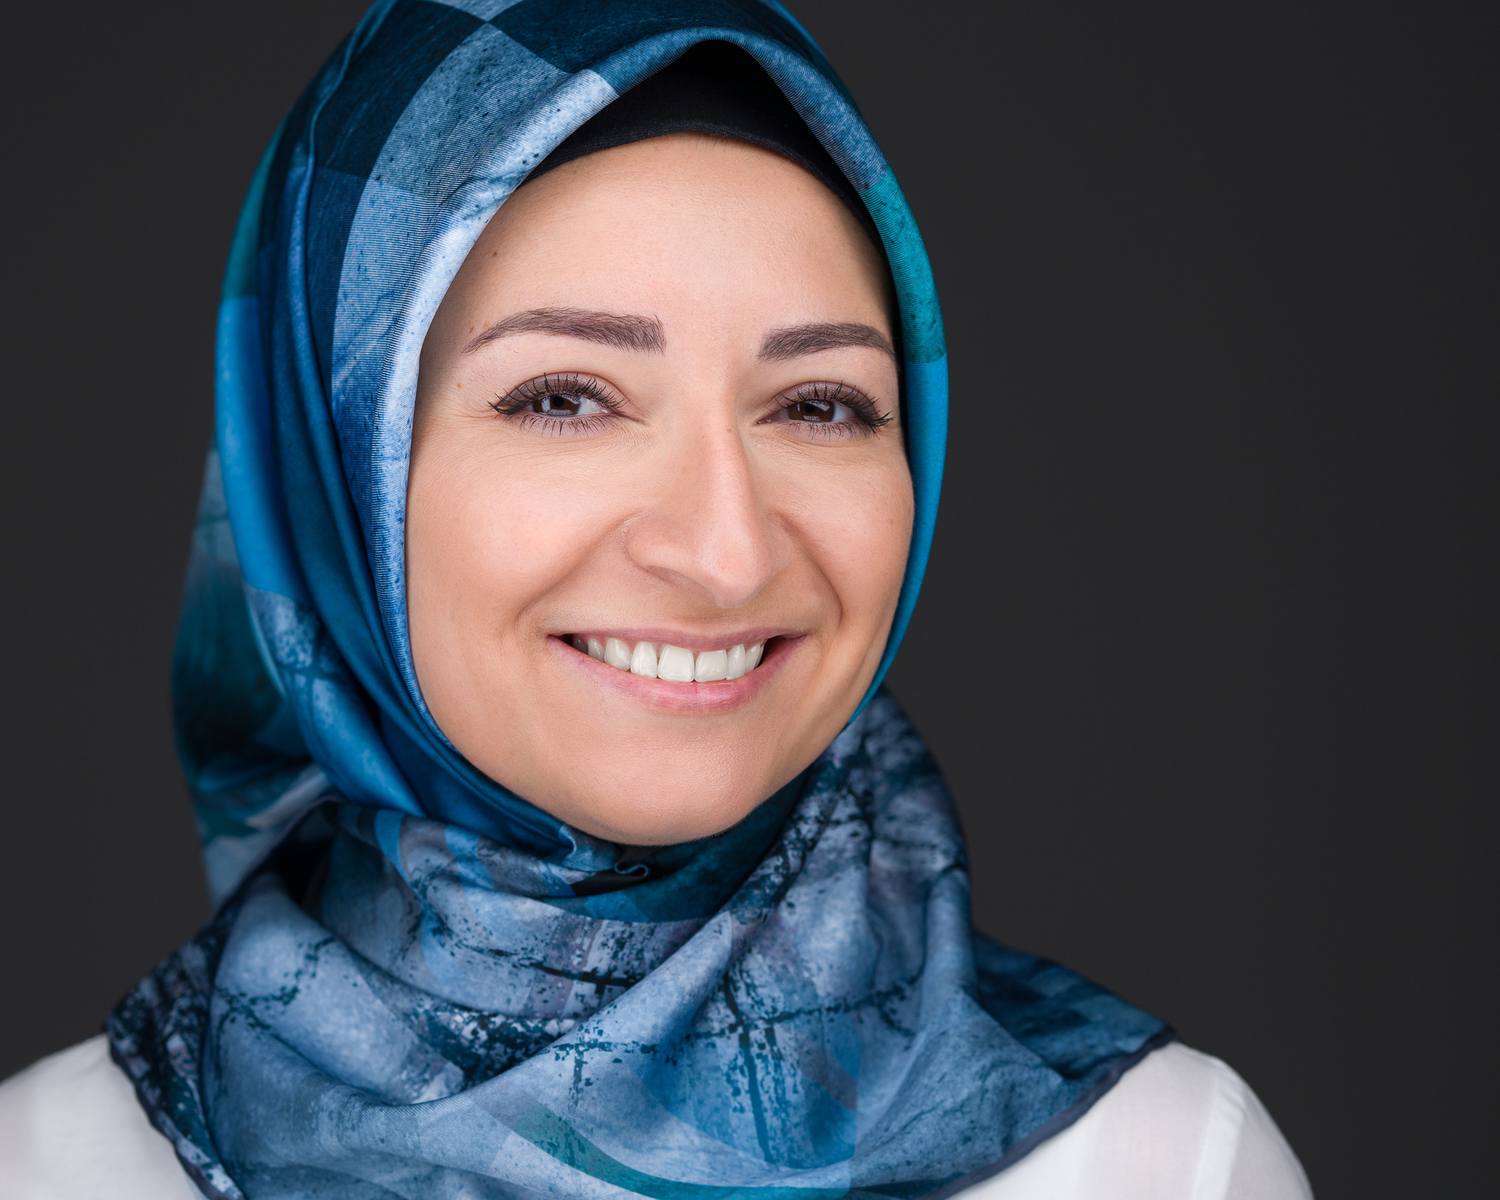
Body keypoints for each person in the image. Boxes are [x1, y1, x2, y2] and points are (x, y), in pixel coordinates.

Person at [0, 3, 1312, 1197]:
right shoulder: (49, 1169)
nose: (726, 554)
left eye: (819, 406)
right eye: (564, 399)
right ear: (333, 477)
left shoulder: (1158, 1167)